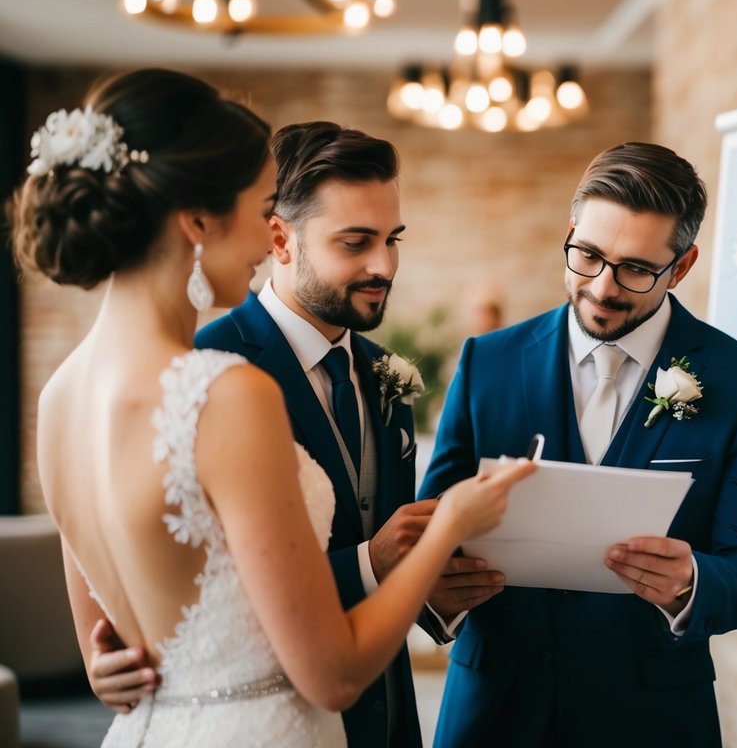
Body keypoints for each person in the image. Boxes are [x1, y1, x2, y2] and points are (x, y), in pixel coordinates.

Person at [8, 68, 533, 747]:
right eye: (261, 213)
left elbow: (109, 638)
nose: (267, 239)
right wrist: (448, 526)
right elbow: (334, 677)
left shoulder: (58, 398)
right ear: (198, 220)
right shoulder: (225, 389)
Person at [418, 142, 737, 747]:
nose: (603, 287)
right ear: (569, 232)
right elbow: (431, 526)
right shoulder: (485, 362)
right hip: (493, 713)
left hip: (651, 720)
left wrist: (693, 581)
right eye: (587, 255)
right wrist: (433, 588)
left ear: (683, 265)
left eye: (636, 269)